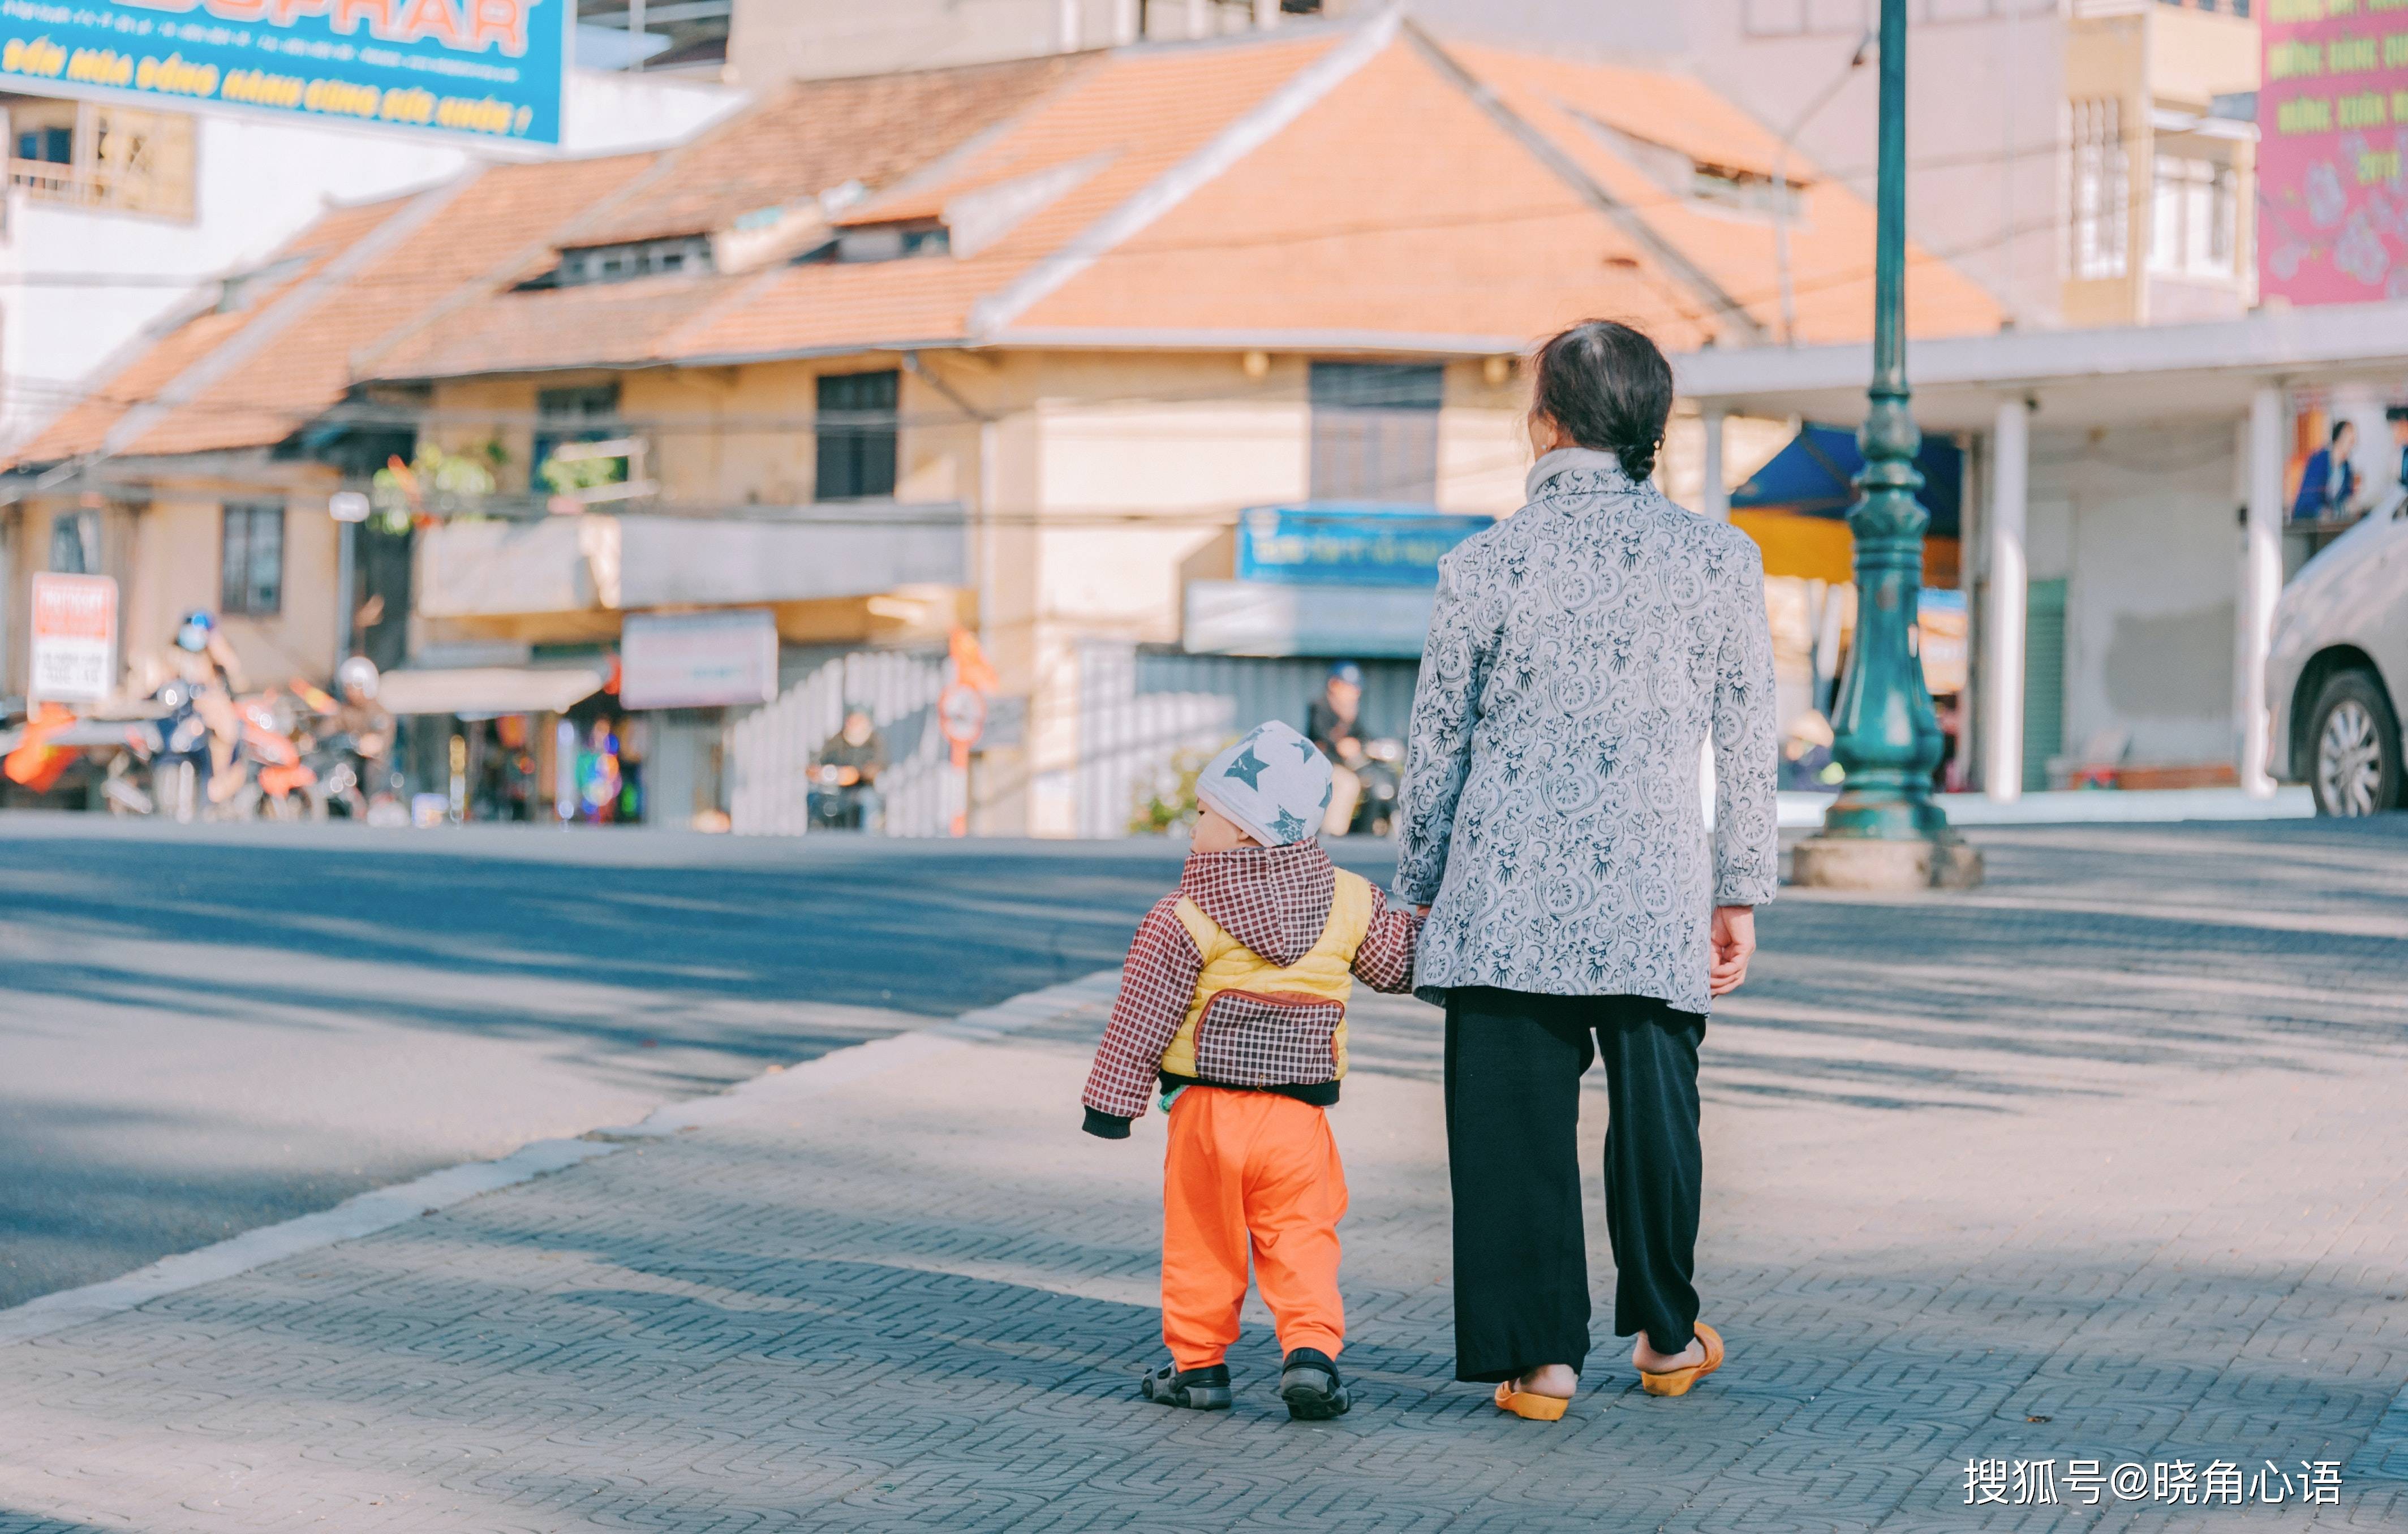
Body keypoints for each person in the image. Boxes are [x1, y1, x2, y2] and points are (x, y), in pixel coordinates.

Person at [1394, 319, 1778, 1420]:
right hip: (1652, 887)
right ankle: (1666, 1335)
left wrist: (1417, 890)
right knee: (1658, 1118)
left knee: (1511, 1127)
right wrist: (1737, 889)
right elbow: (1747, 738)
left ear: (1547, 423)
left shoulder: (1483, 564)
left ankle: (1539, 1364)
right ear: (1651, 424)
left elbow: (1437, 746)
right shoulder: (1719, 560)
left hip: (1503, 892)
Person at [1080, 719, 1422, 1421]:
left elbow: (1141, 1016)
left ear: (1242, 829)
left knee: (1202, 1239)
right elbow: (1397, 967)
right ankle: (1311, 1355)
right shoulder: (1350, 900)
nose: (1192, 826)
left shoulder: (1183, 915)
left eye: (1203, 812)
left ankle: (1198, 1366)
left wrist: (1111, 1105)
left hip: (1206, 1117)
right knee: (1301, 1235)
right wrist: (1431, 922)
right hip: (1297, 1120)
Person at [1306, 662, 1366, 836]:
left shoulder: (1350, 711)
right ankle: (1333, 835)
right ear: (1334, 684)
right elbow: (1319, 734)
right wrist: (1340, 745)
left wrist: (1360, 745)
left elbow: (1363, 735)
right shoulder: (1320, 706)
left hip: (1345, 763)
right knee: (1347, 783)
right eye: (1349, 686)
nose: (1355, 692)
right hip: (1323, 763)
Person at [816, 708, 886, 829]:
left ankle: (867, 837)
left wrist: (859, 773)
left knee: (868, 801)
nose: (852, 724)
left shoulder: (875, 741)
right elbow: (823, 760)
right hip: (838, 787)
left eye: (856, 721)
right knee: (817, 800)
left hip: (864, 787)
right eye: (850, 721)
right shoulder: (837, 739)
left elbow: (880, 764)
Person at [2291, 420, 2359, 523]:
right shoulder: (2320, 460)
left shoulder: (2346, 467)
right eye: (2349, 439)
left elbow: (2347, 496)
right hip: (2307, 520)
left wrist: (2350, 504)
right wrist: (2323, 511)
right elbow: (2310, 496)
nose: (2352, 444)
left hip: (2328, 522)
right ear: (2338, 438)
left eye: (2353, 441)